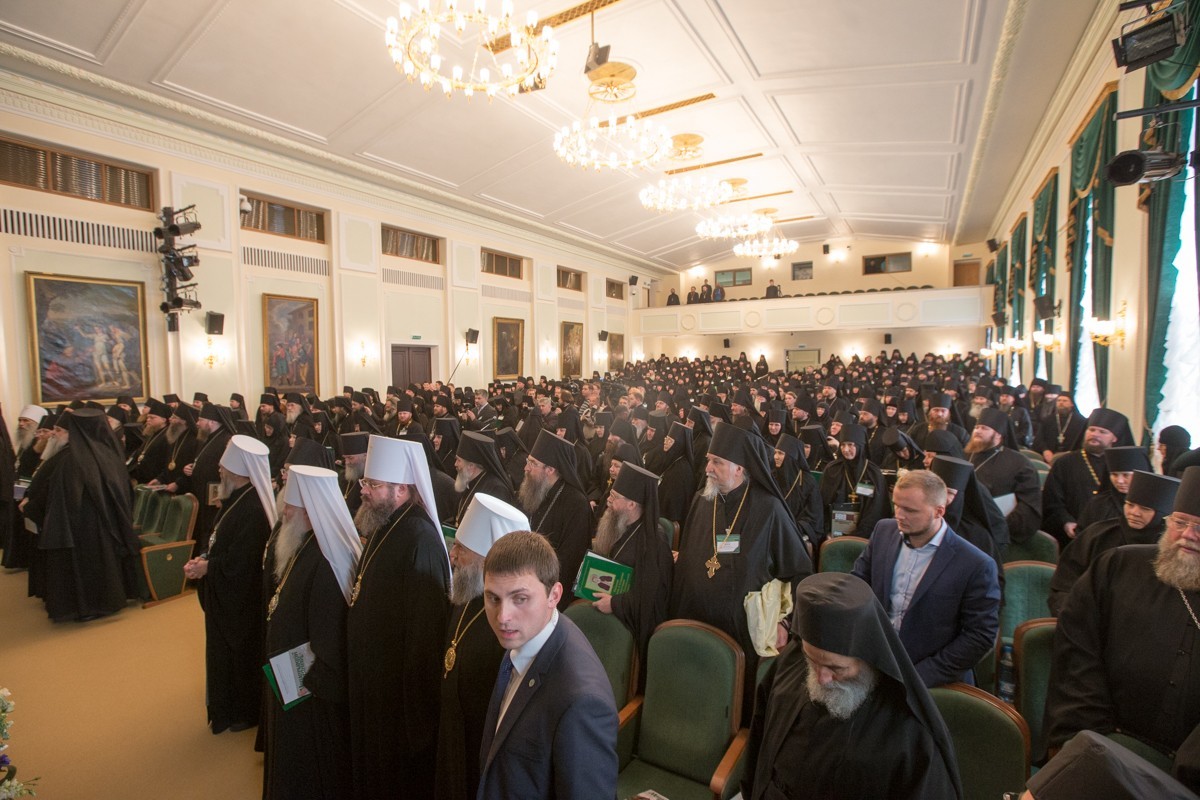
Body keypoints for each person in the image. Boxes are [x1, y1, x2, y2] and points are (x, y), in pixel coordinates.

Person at [742, 572, 962, 800]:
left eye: (836, 668)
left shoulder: (910, 735)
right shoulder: (791, 664)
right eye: (812, 661)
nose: (822, 678)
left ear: (869, 657)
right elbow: (759, 747)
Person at [1045, 466, 1200, 759]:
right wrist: (1096, 734)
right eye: (1180, 522)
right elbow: (1076, 649)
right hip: (1104, 739)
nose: (1188, 535)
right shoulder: (1117, 566)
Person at [669, 420, 812, 721]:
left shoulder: (769, 510)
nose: (708, 468)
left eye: (717, 462)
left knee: (733, 711)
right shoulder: (702, 500)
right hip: (694, 619)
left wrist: (785, 622)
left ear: (740, 468)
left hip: (742, 633)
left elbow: (800, 572)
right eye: (709, 460)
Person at [476, 531, 618, 800]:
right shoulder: (526, 635)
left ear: (554, 595)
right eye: (493, 598)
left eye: (520, 599)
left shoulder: (582, 702)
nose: (503, 617)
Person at [347, 435, 451, 799]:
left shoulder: (420, 539)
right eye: (365, 482)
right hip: (372, 680)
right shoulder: (383, 521)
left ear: (402, 489)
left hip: (396, 694)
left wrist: (414, 713)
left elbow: (425, 635)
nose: (364, 491)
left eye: (373, 485)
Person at [261, 465, 360, 800]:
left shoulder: (328, 560)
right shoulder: (304, 544)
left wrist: (304, 682)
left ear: (309, 511)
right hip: (290, 678)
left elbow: (328, 638)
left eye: (290, 506)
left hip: (309, 692)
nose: (284, 513)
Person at [851, 469, 1000, 687]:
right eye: (896, 505)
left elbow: (980, 636)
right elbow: (857, 584)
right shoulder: (884, 531)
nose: (899, 515)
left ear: (939, 511)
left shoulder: (975, 564)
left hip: (933, 679)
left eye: (910, 510)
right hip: (877, 663)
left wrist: (918, 677)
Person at [435, 493, 529, 800]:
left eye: (461, 549)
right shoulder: (469, 591)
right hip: (453, 728)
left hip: (481, 742)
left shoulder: (509, 622)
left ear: (486, 561)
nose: (452, 555)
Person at [183, 434, 277, 734]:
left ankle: (243, 711)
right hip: (225, 593)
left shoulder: (253, 508)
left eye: (223, 468)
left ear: (238, 472)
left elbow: (244, 562)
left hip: (241, 601)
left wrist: (209, 567)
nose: (219, 471)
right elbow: (219, 539)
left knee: (240, 656)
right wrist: (205, 558)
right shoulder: (236, 498)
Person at [20, 408, 139, 622]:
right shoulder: (111, 453)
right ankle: (107, 602)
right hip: (108, 525)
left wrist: (33, 509)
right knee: (103, 565)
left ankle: (88, 607)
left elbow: (57, 496)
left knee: (85, 569)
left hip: (80, 527)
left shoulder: (72, 459)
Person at [1048, 469, 1179, 616]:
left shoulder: (1172, 547)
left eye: (1145, 509)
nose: (1134, 512)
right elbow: (1064, 584)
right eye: (1129, 504)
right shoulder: (1097, 534)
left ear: (1163, 514)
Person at [592, 462, 673, 665]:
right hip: (605, 617)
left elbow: (651, 600)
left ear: (632, 505)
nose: (608, 500)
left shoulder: (654, 544)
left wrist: (615, 604)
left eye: (614, 497)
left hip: (629, 634)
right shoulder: (619, 526)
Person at [519, 429, 594, 609]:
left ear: (550, 470)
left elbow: (569, 563)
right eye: (528, 461)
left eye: (533, 463)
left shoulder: (577, 505)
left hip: (550, 592)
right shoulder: (535, 490)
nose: (526, 468)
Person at [1042, 407, 1134, 545]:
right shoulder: (1065, 462)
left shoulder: (1125, 466)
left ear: (1115, 438)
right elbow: (1052, 499)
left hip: (1114, 535)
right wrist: (1066, 522)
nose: (1095, 434)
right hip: (1072, 535)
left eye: (1102, 432)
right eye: (1091, 430)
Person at [967, 406, 1043, 545]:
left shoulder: (1020, 464)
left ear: (998, 435)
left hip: (998, 530)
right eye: (976, 427)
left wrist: (998, 525)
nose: (978, 431)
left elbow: (1028, 505)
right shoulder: (964, 455)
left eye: (984, 428)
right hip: (964, 527)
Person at [819, 423, 890, 538]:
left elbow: (876, 510)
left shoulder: (873, 473)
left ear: (860, 445)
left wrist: (857, 536)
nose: (846, 450)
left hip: (864, 536)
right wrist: (827, 532)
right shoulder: (832, 470)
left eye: (850, 445)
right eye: (843, 445)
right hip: (832, 533)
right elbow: (822, 505)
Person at [452, 431, 515, 525]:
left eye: (459, 460)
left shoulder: (497, 490)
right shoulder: (468, 481)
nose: (455, 464)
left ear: (471, 466)